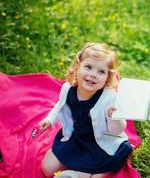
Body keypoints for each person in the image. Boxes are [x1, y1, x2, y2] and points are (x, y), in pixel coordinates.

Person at [39, 43, 133, 178]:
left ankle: (99, 171)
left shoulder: (109, 97)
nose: (93, 74)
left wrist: (114, 117)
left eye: (101, 71)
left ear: (107, 77)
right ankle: (75, 168)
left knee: (90, 176)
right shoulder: (68, 88)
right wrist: (50, 119)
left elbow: (116, 131)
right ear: (77, 68)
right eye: (88, 67)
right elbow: (60, 105)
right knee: (47, 168)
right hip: (77, 137)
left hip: (101, 143)